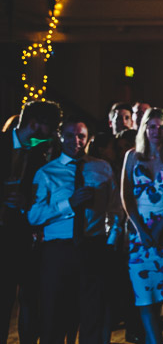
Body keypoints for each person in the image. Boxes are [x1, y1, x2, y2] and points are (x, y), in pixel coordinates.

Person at [28, 116, 123, 344]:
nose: (76, 141)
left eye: (81, 136)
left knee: (93, 315)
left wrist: (111, 240)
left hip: (93, 247)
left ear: (89, 138)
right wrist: (68, 204)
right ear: (61, 137)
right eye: (70, 135)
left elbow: (116, 208)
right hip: (58, 250)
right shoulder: (46, 173)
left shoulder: (102, 167)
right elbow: (33, 215)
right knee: (55, 315)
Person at [121, 108, 163, 344]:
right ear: (144, 129)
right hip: (138, 237)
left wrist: (159, 230)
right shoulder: (132, 156)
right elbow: (126, 196)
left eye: (161, 127)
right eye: (152, 126)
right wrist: (140, 229)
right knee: (144, 297)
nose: (156, 131)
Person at [1, 101, 61, 344]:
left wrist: (26, 202)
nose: (53, 134)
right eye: (52, 127)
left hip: (23, 236)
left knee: (29, 298)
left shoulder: (38, 153)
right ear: (35, 124)